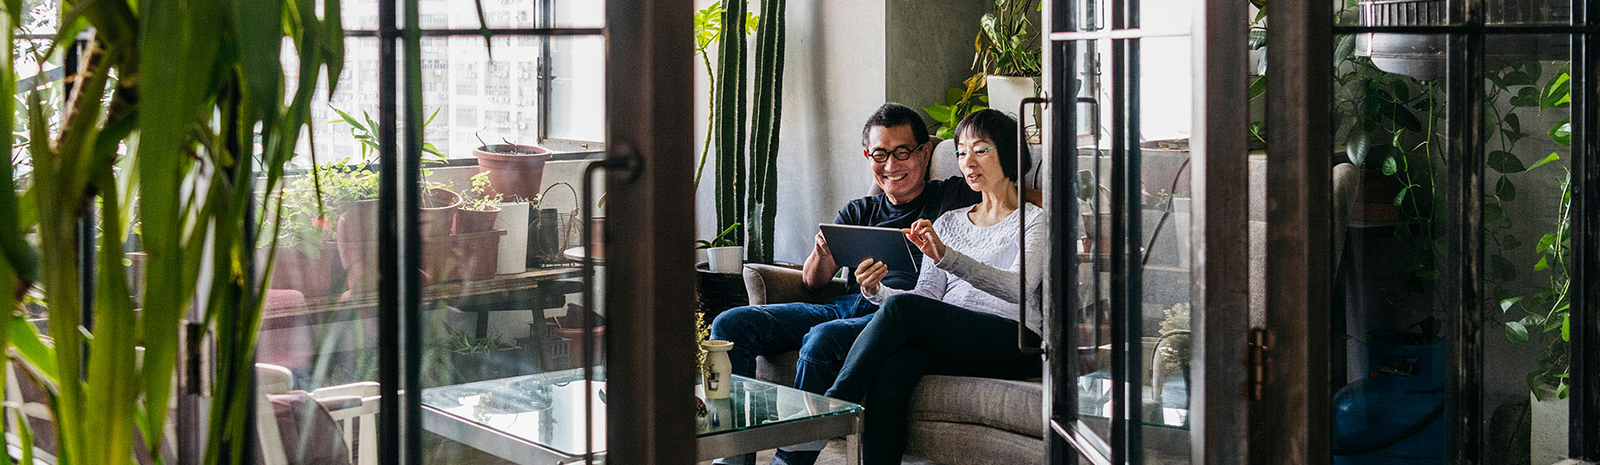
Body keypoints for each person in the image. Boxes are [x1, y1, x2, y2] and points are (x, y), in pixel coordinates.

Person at [708, 102, 982, 465]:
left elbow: (1012, 195)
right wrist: (822, 254)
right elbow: (812, 281)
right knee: (731, 324)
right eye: (880, 155)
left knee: (824, 336)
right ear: (867, 156)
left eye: (903, 153)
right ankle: (732, 457)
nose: (891, 166)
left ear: (925, 151)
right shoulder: (859, 211)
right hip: (844, 305)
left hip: (897, 315)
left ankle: (791, 461)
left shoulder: (951, 196)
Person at [824, 109, 1045, 465]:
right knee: (894, 368)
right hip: (955, 337)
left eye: (980, 150)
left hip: (1014, 340)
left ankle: (836, 402)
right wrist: (876, 291)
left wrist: (947, 257)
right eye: (960, 152)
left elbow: (1017, 288)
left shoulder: (1034, 221)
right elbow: (925, 297)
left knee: (902, 313)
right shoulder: (949, 222)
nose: (967, 162)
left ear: (1009, 152)